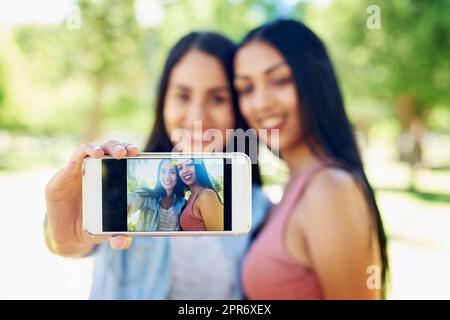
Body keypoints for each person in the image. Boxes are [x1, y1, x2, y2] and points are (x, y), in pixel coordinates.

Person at [44, 31, 272, 299]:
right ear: (163, 100)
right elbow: (69, 244)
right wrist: (62, 234)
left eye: (217, 98)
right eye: (183, 96)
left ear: (238, 109)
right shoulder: (129, 184)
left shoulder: (258, 211)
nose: (197, 116)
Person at [234, 19, 389, 299]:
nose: (261, 103)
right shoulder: (293, 187)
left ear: (314, 82)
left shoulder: (330, 190)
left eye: (280, 80)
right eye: (246, 89)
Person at [128, 159, 187, 231]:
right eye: (163, 171)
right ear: (158, 175)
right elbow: (131, 201)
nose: (167, 176)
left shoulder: (183, 203)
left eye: (172, 172)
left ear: (178, 176)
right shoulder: (146, 196)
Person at [177, 158, 223, 231]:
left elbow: (219, 237)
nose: (184, 170)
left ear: (199, 166)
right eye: (180, 168)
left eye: (189, 164)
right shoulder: (190, 198)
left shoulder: (206, 195)